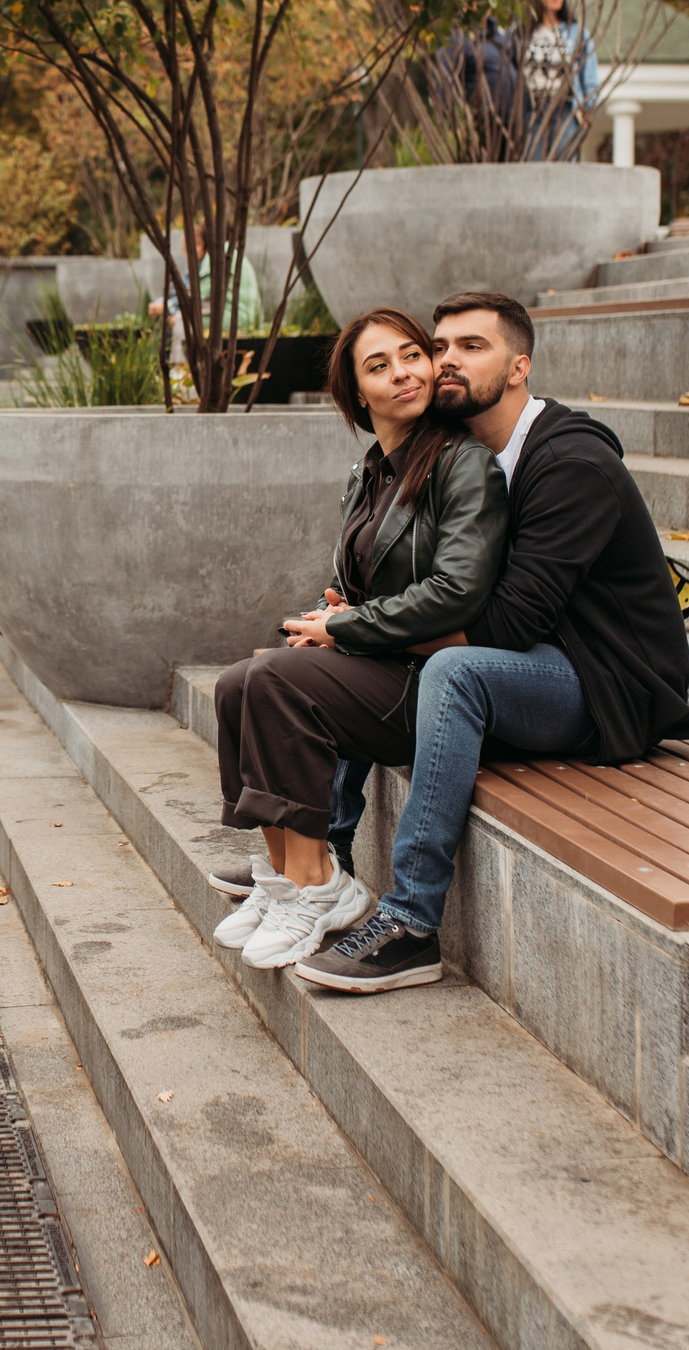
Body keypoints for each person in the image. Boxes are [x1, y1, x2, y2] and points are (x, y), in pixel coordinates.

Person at [295, 291, 689, 992]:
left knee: (447, 667)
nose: (447, 361)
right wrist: (359, 618)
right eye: (441, 345)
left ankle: (412, 922)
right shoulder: (462, 456)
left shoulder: (569, 462)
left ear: (519, 367)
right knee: (366, 643)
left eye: (471, 347)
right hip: (537, 661)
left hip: (607, 686)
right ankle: (321, 860)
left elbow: (507, 626)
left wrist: (363, 629)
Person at [208, 308, 508, 970]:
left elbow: (457, 591)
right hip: (378, 661)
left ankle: (323, 888)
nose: (404, 373)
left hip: (422, 682)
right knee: (238, 681)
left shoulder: (463, 465)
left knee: (274, 682)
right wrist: (323, 620)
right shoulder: (372, 471)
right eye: (380, 365)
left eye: (412, 354)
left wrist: (342, 626)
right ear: (357, 393)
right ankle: (285, 876)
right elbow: (354, 584)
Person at [517, 0, 601, 160]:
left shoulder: (575, 31)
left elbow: (590, 74)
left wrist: (589, 107)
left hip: (565, 110)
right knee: (533, 165)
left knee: (565, 165)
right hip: (532, 111)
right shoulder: (524, 33)